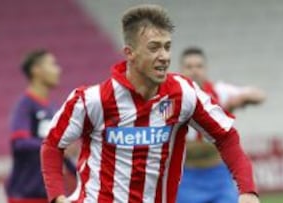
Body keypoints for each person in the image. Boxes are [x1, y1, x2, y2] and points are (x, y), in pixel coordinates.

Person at [41, 5, 260, 203]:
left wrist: (247, 190)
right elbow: (52, 144)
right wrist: (56, 197)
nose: (164, 56)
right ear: (130, 53)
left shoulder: (183, 94)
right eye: (154, 48)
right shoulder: (92, 100)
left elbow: (226, 136)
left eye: (167, 47)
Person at [177, 47, 265, 203]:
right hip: (185, 177)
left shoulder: (220, 92)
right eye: (189, 67)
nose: (194, 71)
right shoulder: (173, 97)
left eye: (199, 66)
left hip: (218, 175)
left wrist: (242, 98)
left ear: (205, 69)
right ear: (181, 70)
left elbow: (259, 95)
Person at [6, 49, 75, 203]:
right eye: (52, 64)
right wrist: (56, 146)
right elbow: (19, 143)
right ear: (36, 70)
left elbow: (62, 153)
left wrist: (82, 175)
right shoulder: (25, 105)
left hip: (49, 194)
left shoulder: (53, 109)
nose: (58, 70)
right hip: (25, 195)